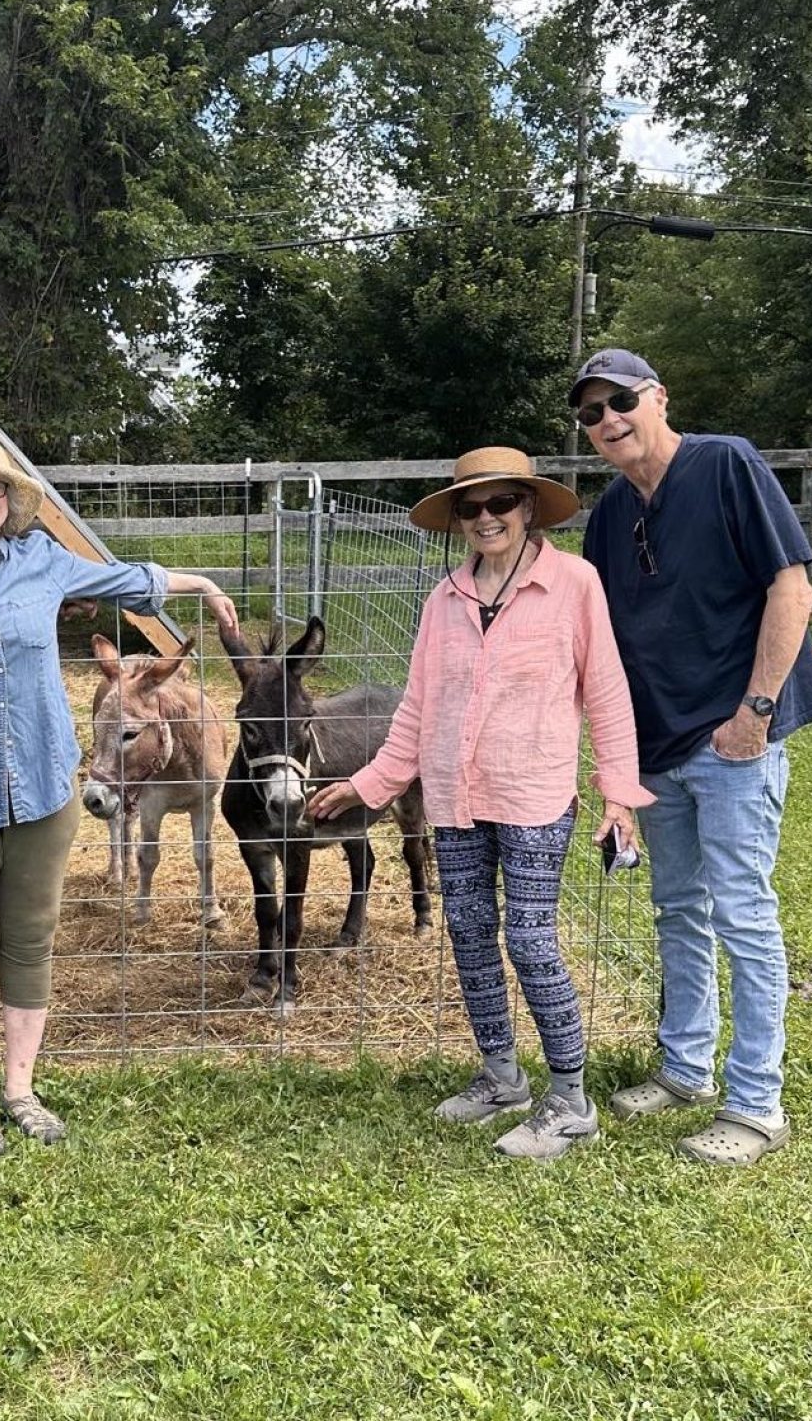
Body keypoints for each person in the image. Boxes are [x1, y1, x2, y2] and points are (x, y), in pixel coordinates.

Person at [306, 447, 653, 1161]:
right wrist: (370, 784)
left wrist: (619, 793)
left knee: (528, 938)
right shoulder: (445, 599)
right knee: (467, 932)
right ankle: (502, 1076)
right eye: (472, 507)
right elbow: (417, 708)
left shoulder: (574, 585)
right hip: (455, 797)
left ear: (528, 508)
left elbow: (609, 693)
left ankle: (570, 1097)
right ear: (458, 519)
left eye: (501, 504)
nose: (487, 518)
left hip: (533, 793)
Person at [0, 433, 239, 1155]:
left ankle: (20, 1089)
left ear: (8, 502)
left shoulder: (40, 563)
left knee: (30, 942)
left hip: (39, 786)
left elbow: (124, 579)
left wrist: (203, 586)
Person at [572, 347, 812, 1165]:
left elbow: (793, 588)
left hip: (731, 739)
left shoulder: (726, 465)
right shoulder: (610, 515)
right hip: (656, 750)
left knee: (744, 915)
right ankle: (685, 1070)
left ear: (658, 397)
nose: (608, 420)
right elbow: (600, 644)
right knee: (677, 909)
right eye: (590, 412)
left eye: (620, 401)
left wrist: (754, 713)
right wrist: (615, 763)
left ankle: (756, 1104)